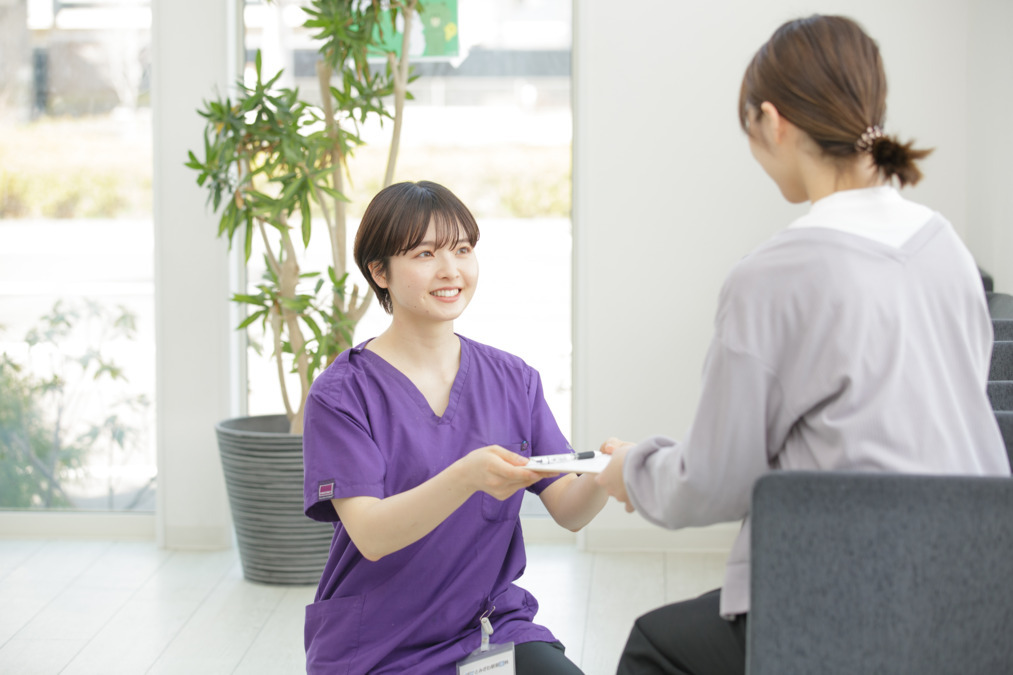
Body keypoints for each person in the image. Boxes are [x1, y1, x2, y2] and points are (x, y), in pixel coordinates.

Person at [595, 14, 1011, 675]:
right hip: (976, 590)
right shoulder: (944, 247)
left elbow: (712, 482)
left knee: (655, 646)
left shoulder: (774, 274)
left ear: (771, 120)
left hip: (844, 605)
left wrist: (630, 471)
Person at [301, 180, 607, 674]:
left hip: (487, 630)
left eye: (463, 250)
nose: (451, 271)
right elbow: (372, 534)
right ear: (379, 271)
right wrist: (467, 476)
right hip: (378, 643)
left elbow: (569, 509)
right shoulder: (342, 395)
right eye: (425, 254)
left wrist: (607, 476)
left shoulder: (513, 379)